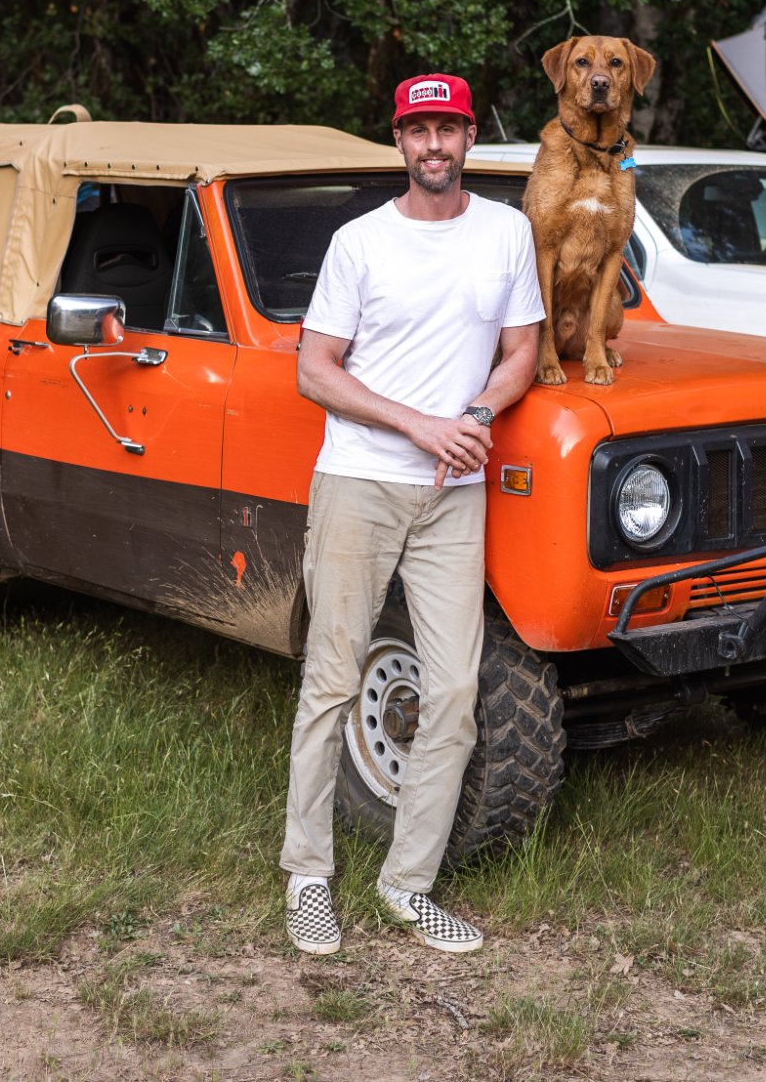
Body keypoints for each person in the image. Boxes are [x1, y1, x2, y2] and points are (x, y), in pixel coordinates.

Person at [280, 73, 543, 956]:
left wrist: (475, 415)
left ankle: (408, 883)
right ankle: (307, 877)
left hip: (453, 494)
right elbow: (315, 369)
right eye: (419, 129)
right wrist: (418, 424)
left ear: (469, 137)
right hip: (360, 480)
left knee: (457, 690)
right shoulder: (360, 242)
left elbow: (522, 350)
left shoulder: (507, 231)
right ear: (399, 140)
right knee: (332, 679)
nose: (435, 144)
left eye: (449, 128)